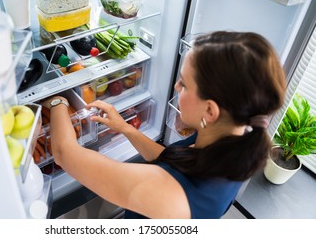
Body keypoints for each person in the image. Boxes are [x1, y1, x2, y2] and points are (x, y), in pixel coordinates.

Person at [41, 31, 286, 219]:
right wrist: (126, 129)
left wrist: (58, 97)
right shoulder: (236, 141)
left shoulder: (166, 193)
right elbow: (175, 161)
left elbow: (64, 153)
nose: (177, 87)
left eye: (185, 84)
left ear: (210, 110)